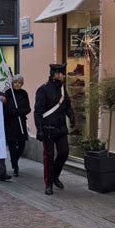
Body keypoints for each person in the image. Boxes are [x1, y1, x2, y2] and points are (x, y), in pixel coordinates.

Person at [34, 63, 75, 195]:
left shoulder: (62, 88)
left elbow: (66, 105)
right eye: (63, 73)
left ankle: (55, 175)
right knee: (49, 157)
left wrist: (72, 116)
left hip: (61, 127)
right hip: (48, 129)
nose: (64, 76)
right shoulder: (43, 90)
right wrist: (39, 129)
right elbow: (38, 111)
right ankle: (49, 184)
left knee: (64, 153)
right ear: (56, 74)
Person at [4, 75, 31, 177]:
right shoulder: (8, 93)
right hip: (11, 123)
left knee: (21, 145)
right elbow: (5, 109)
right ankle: (15, 167)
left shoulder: (24, 93)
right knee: (12, 145)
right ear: (12, 83)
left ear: (22, 84)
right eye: (15, 82)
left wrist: (18, 112)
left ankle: (14, 159)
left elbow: (28, 108)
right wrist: (12, 112)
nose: (17, 84)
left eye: (19, 82)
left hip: (21, 122)